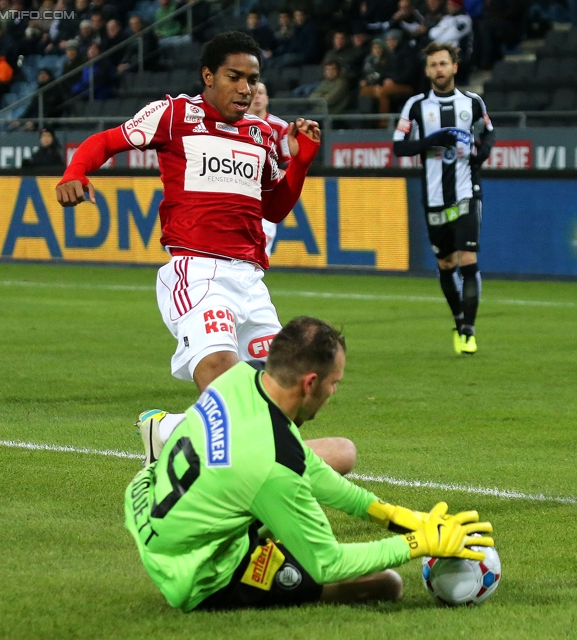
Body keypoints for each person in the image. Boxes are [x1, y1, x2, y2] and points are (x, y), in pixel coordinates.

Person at [55, 31, 352, 473]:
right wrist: (73, 172)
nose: (246, 89)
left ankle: (170, 433)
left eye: (252, 79)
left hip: (251, 281)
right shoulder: (174, 114)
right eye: (235, 77)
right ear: (208, 76)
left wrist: (301, 162)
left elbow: (273, 205)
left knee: (282, 394)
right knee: (222, 374)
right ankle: (244, 484)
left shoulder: (260, 135)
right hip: (199, 272)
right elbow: (107, 142)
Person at [124, 315, 494, 612]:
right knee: (386, 585)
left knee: (285, 502)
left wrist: (393, 516)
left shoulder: (237, 380)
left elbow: (310, 468)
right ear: (310, 382)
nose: (334, 393)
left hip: (149, 506)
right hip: (194, 573)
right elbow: (327, 563)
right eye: (335, 383)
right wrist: (416, 543)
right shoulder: (271, 466)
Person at [393, 42, 496, 355]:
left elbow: (488, 133)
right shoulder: (415, 106)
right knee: (446, 263)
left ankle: (468, 332)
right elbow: (399, 146)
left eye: (443, 64)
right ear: (427, 71)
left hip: (467, 192)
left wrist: (481, 154)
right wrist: (432, 140)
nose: (438, 70)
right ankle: (457, 319)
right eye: (433, 65)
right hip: (435, 196)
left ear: (455, 67)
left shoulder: (473, 102)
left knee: (467, 259)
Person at [247, 81, 292, 256]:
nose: (257, 97)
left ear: (267, 98)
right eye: (254, 93)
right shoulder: (234, 124)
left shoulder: (280, 127)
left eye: (261, 93)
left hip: (265, 195)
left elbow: (287, 164)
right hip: (239, 189)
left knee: (261, 251)